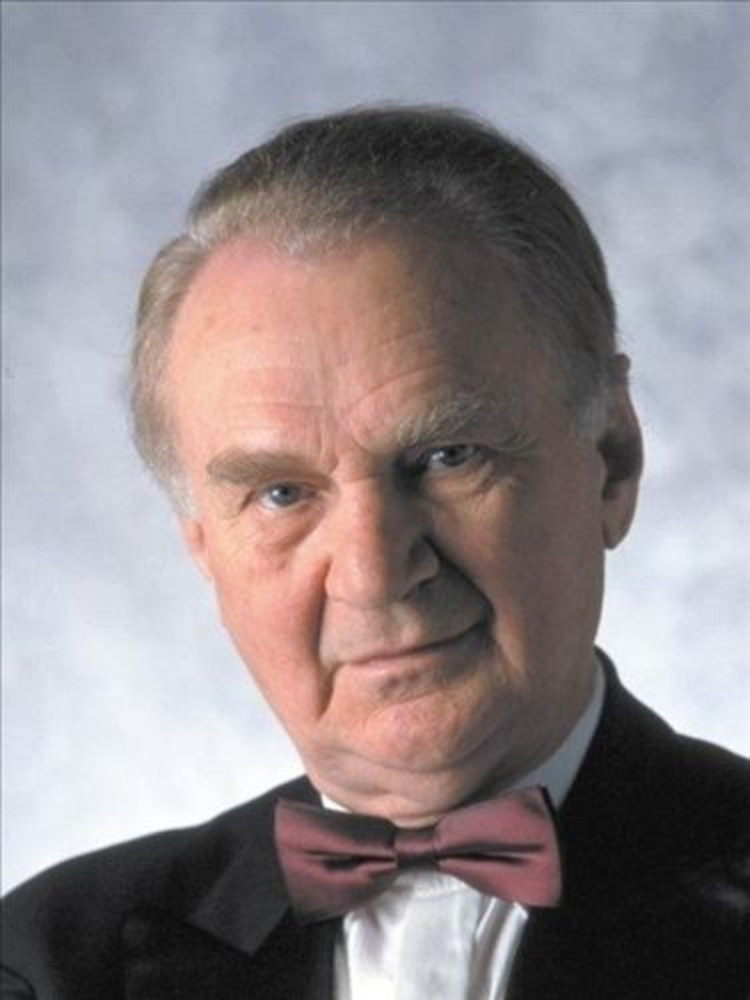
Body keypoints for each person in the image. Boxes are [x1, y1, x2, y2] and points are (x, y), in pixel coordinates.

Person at [2, 106, 748, 1000]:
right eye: (281, 494)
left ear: (612, 462)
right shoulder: (45, 964)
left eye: (448, 457)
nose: (373, 572)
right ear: (202, 546)